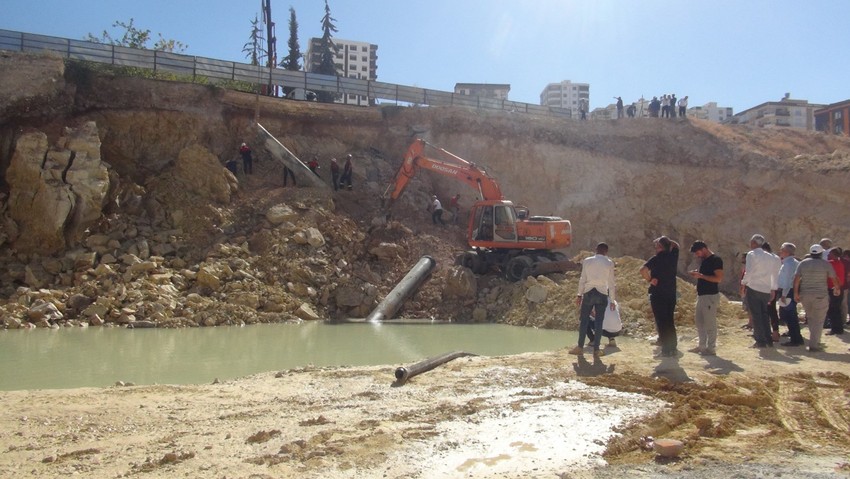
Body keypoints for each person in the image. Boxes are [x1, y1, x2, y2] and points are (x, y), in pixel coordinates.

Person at [570, 242, 617, 358]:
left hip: (589, 292)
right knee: (599, 322)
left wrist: (579, 295)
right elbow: (611, 283)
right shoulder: (609, 263)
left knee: (584, 320)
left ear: (596, 250)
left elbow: (582, 279)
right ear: (606, 252)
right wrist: (612, 300)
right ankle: (596, 350)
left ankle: (580, 347)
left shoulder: (587, 261)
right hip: (602, 293)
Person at [793, 244, 840, 352]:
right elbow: (834, 277)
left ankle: (814, 340)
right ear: (821, 253)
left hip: (805, 294)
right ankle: (814, 344)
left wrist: (796, 293)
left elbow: (796, 279)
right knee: (818, 320)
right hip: (820, 295)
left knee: (810, 318)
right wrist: (837, 288)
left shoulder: (803, 263)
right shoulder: (825, 264)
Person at [640, 236, 680, 357]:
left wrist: (650, 280)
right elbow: (676, 245)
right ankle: (673, 348)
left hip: (658, 294)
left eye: (656, 245)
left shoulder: (656, 259)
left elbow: (642, 270)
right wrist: (666, 240)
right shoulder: (673, 256)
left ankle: (666, 349)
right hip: (671, 293)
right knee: (669, 320)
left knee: (661, 321)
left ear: (659, 247)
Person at [740, 234, 780, 348]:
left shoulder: (751, 255)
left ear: (753, 243)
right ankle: (768, 339)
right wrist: (773, 289)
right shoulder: (771, 257)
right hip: (766, 289)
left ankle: (760, 341)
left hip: (754, 287)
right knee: (764, 314)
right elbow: (774, 274)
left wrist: (743, 284)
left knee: (756, 315)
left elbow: (749, 271)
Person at [687, 241, 723, 356]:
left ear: (703, 249)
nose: (697, 255)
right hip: (702, 295)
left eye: (698, 252)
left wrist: (701, 276)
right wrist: (698, 274)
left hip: (710, 295)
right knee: (700, 322)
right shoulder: (704, 261)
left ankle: (711, 348)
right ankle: (702, 346)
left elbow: (718, 278)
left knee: (710, 323)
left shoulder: (716, 260)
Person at [777, 242, 804, 346]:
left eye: (782, 250)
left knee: (790, 316)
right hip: (790, 291)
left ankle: (795, 339)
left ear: (787, 252)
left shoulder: (788, 264)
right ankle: (797, 337)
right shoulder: (795, 262)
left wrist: (784, 294)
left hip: (787, 292)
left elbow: (788, 281)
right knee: (791, 316)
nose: (780, 252)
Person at [826, 247, 845, 335]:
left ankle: (835, 328)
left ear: (833, 254)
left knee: (832, 309)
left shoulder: (831, 263)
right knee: (836, 309)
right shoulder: (840, 263)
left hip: (833, 288)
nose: (828, 255)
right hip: (839, 287)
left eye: (830, 253)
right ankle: (839, 328)